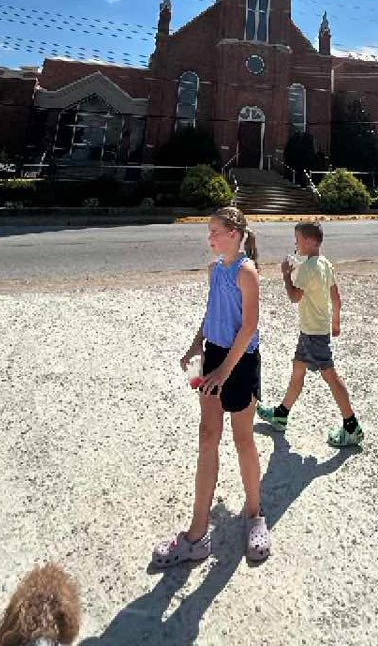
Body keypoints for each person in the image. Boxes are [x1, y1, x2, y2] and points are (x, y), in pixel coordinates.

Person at [152, 206, 270, 566]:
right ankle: (196, 534)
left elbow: (248, 327)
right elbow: (212, 312)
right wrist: (195, 343)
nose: (210, 238)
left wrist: (224, 373)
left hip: (240, 360)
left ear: (233, 234)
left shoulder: (246, 272)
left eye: (215, 231)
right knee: (207, 436)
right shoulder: (215, 269)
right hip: (215, 354)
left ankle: (255, 516)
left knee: (243, 438)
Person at [257, 221, 364, 447]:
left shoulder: (308, 268)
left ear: (309, 241)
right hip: (316, 329)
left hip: (313, 333)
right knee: (298, 370)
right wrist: (335, 323)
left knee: (331, 377)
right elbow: (336, 297)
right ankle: (281, 414)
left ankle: (352, 426)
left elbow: (295, 297)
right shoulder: (325, 264)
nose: (295, 243)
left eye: (297, 239)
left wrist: (286, 275)